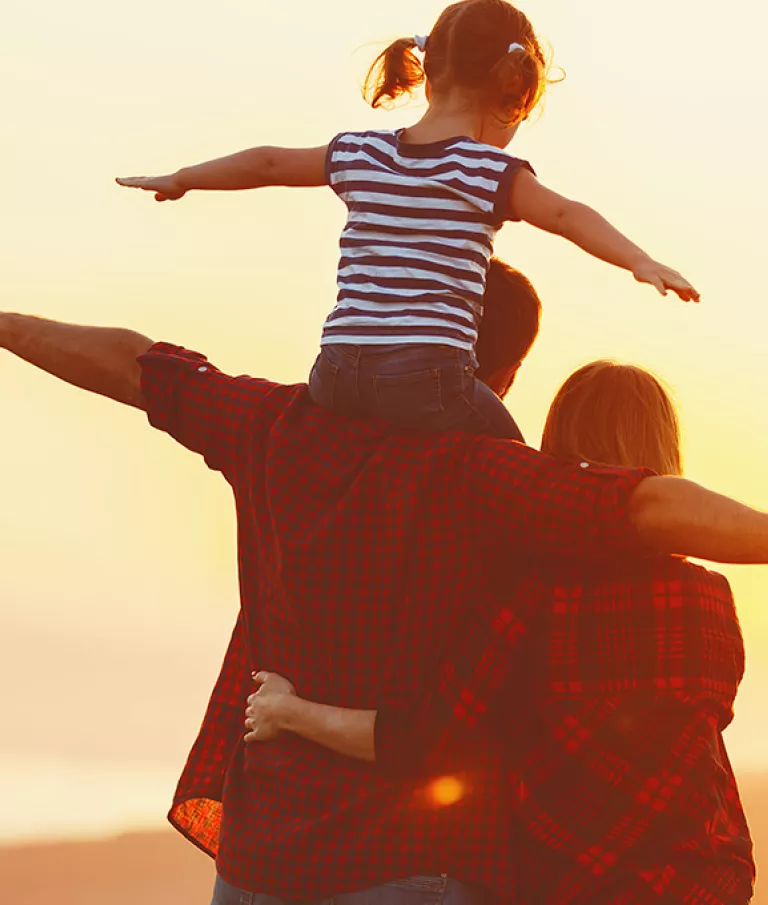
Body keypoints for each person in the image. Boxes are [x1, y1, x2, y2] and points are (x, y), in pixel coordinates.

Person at [3, 267, 767, 905]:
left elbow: (136, 366)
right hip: (436, 861)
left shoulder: (273, 425)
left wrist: (6, 324)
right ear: (500, 373)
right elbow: (638, 507)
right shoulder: (499, 483)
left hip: (264, 856)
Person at [243, 361, 755, 904]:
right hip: (705, 881)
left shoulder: (527, 595)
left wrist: (289, 711)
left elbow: (420, 743)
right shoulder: (708, 597)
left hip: (577, 886)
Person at [116, 0, 698, 440]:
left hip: (334, 374)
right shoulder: (486, 171)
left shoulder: (360, 152)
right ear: (512, 92)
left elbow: (268, 162)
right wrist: (640, 261)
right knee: (516, 462)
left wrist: (182, 177)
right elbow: (566, 214)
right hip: (425, 379)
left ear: (428, 71)